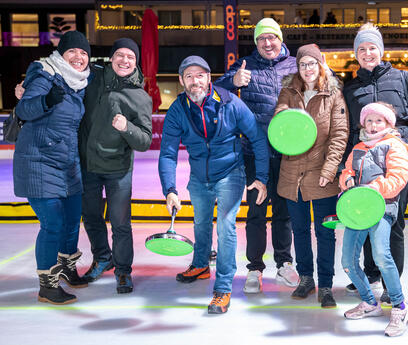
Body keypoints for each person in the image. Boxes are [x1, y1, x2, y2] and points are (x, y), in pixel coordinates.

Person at [159, 56, 269, 314]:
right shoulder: (178, 109)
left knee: (226, 226)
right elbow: (167, 152)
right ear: (181, 81)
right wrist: (170, 189)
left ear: (209, 77)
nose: (195, 81)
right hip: (199, 176)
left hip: (230, 173)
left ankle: (223, 288)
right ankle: (200, 265)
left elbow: (258, 139)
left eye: (200, 75)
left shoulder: (231, 103)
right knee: (200, 221)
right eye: (189, 76)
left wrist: (261, 177)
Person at [342, 23, 408, 301]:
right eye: (362, 49)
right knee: (367, 215)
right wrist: (344, 168)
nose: (367, 53)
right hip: (365, 161)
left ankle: (390, 279)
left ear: (381, 51)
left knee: (393, 220)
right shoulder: (351, 88)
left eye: (372, 48)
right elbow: (348, 131)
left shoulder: (404, 78)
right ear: (356, 54)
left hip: (399, 157)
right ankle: (371, 274)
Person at [214, 18, 299, 293]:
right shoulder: (244, 66)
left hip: (288, 152)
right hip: (254, 152)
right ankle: (254, 268)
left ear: (280, 39)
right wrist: (232, 81)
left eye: (272, 37)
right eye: (262, 39)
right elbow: (213, 93)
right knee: (257, 211)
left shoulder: (296, 65)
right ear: (256, 43)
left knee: (284, 211)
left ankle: (285, 264)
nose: (267, 43)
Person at [13, 31, 91, 304]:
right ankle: (47, 284)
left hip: (67, 163)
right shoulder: (45, 73)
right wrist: (47, 100)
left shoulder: (80, 82)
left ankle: (68, 266)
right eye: (72, 52)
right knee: (53, 223)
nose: (78, 57)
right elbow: (24, 109)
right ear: (61, 54)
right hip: (39, 160)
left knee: (71, 220)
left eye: (84, 53)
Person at [275, 44, 348, 308]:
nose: (307, 69)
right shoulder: (288, 91)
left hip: (321, 175)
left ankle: (326, 284)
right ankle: (306, 278)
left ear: (321, 65)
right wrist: (286, 118)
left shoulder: (334, 94)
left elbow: (340, 135)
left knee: (325, 232)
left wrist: (329, 171)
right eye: (303, 64)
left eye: (312, 63)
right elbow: (279, 123)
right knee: (300, 230)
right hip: (293, 173)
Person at [79, 38, 153, 294]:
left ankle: (123, 271)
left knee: (120, 223)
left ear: (136, 62)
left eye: (130, 57)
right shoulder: (91, 79)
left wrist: (127, 128)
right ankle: (102, 257)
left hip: (118, 170)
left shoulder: (140, 97)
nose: (124, 60)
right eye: (120, 55)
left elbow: (144, 141)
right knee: (90, 216)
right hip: (88, 165)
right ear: (112, 58)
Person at [340, 102, 408, 337]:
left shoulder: (395, 145)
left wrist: (372, 189)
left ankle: (400, 307)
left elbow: (398, 177)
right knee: (348, 261)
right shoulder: (359, 146)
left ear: (388, 123)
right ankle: (370, 302)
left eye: (378, 120)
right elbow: (347, 170)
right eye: (369, 120)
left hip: (382, 207)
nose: (373, 125)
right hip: (358, 209)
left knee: (381, 254)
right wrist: (348, 181)